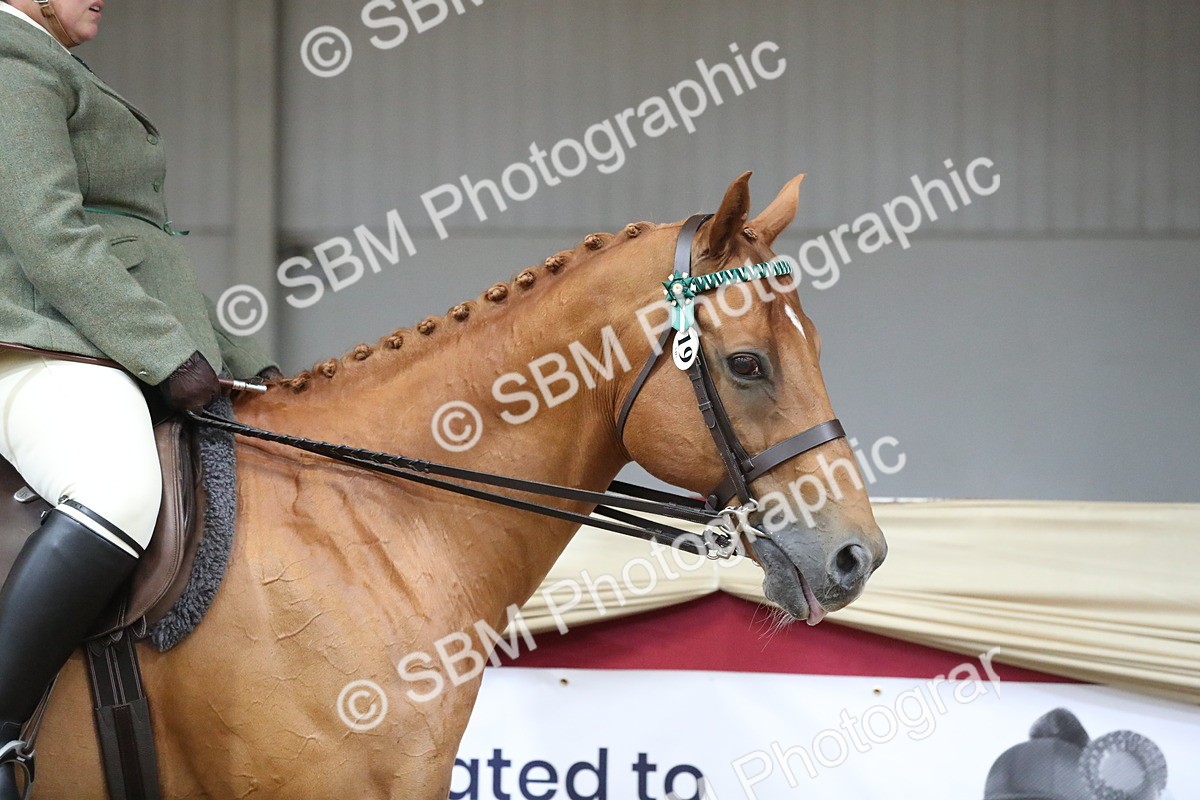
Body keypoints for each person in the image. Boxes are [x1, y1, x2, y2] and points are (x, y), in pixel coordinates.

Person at [0, 1, 279, 795]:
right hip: (30, 336)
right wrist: (164, 356)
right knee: (117, 488)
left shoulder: (50, 60)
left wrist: (245, 366)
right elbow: (45, 232)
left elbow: (144, 256)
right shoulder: (9, 57)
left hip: (91, 331)